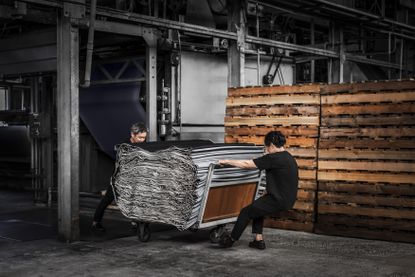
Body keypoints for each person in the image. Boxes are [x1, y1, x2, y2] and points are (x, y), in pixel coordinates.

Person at [217, 131, 298, 250]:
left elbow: (246, 164)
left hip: (278, 200)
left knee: (245, 212)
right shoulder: (288, 157)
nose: (266, 150)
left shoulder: (273, 158)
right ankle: (258, 240)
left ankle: (231, 239)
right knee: (258, 208)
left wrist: (226, 161)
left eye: (266, 147)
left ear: (271, 145)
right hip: (288, 199)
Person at [91, 122, 148, 232]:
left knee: (136, 198)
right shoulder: (124, 146)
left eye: (144, 138)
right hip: (119, 177)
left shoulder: (142, 144)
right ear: (133, 135)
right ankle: (96, 222)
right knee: (107, 199)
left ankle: (135, 220)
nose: (142, 140)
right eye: (140, 137)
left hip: (133, 177)